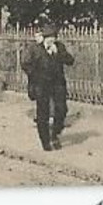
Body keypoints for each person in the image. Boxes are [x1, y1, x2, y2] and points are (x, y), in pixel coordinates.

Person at [21, 22, 75, 151]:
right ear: (44, 38)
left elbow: (70, 61)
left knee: (62, 110)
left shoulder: (59, 47)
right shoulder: (35, 49)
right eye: (49, 37)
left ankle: (55, 134)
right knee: (43, 113)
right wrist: (35, 76)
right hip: (41, 85)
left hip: (57, 84)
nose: (52, 39)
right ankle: (45, 141)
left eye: (54, 37)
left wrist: (59, 54)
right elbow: (25, 64)